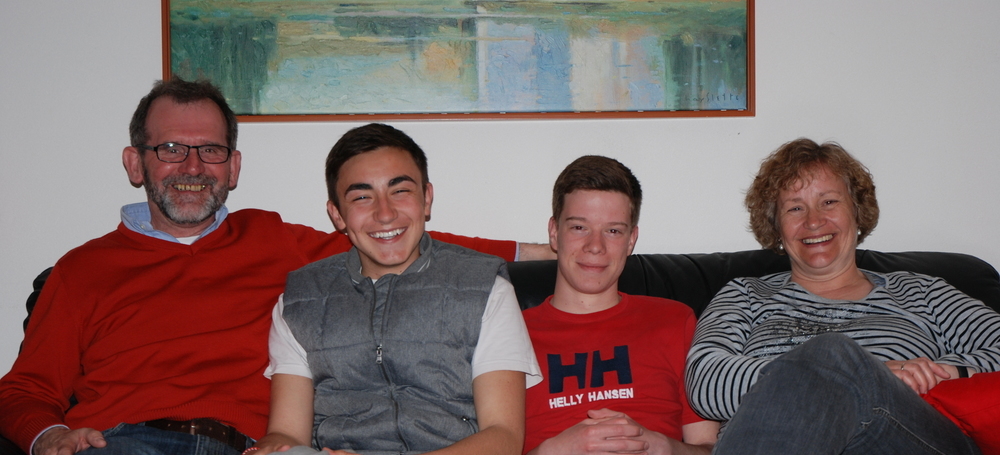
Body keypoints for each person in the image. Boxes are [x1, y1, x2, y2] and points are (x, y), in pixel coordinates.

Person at [0, 79, 550, 455]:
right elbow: (24, 388)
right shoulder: (81, 270)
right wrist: (48, 435)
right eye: (170, 148)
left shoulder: (273, 241)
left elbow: (393, 233)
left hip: (248, 446)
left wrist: (557, 252)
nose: (193, 166)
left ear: (233, 166)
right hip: (125, 443)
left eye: (211, 150)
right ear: (135, 162)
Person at [686, 138, 1000, 454]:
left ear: (857, 212)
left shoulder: (923, 292)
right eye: (795, 208)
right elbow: (705, 380)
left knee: (833, 354)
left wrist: (945, 373)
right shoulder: (745, 295)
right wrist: (845, 376)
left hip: (906, 439)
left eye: (829, 202)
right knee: (831, 355)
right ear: (776, 226)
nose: (813, 221)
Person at [250, 123, 542, 455]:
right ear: (337, 215)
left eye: (400, 191)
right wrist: (269, 449)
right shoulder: (301, 301)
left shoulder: (484, 287)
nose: (385, 214)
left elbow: (503, 437)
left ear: (426, 199)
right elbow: (287, 432)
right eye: (362, 197)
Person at [522, 156, 717, 455]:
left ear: (631, 240)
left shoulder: (675, 321)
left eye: (613, 231)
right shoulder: (511, 332)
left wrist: (664, 447)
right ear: (554, 232)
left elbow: (710, 447)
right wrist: (553, 451)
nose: (595, 246)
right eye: (579, 227)